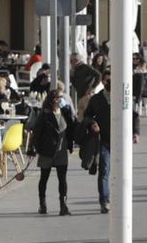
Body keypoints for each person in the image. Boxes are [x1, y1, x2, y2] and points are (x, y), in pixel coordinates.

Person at [84, 75, 139, 213]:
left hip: (121, 139)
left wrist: (136, 132)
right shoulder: (96, 99)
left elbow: (134, 115)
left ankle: (120, 199)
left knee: (122, 171)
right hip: (103, 139)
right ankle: (104, 200)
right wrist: (92, 123)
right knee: (104, 170)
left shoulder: (123, 98)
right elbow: (87, 115)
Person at [31, 88, 76, 216]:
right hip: (47, 150)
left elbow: (72, 127)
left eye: (62, 97)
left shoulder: (65, 112)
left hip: (61, 150)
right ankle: (42, 204)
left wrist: (69, 112)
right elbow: (37, 133)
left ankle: (63, 205)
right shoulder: (45, 115)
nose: (61, 100)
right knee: (44, 178)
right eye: (58, 98)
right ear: (52, 100)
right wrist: (37, 148)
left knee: (62, 179)